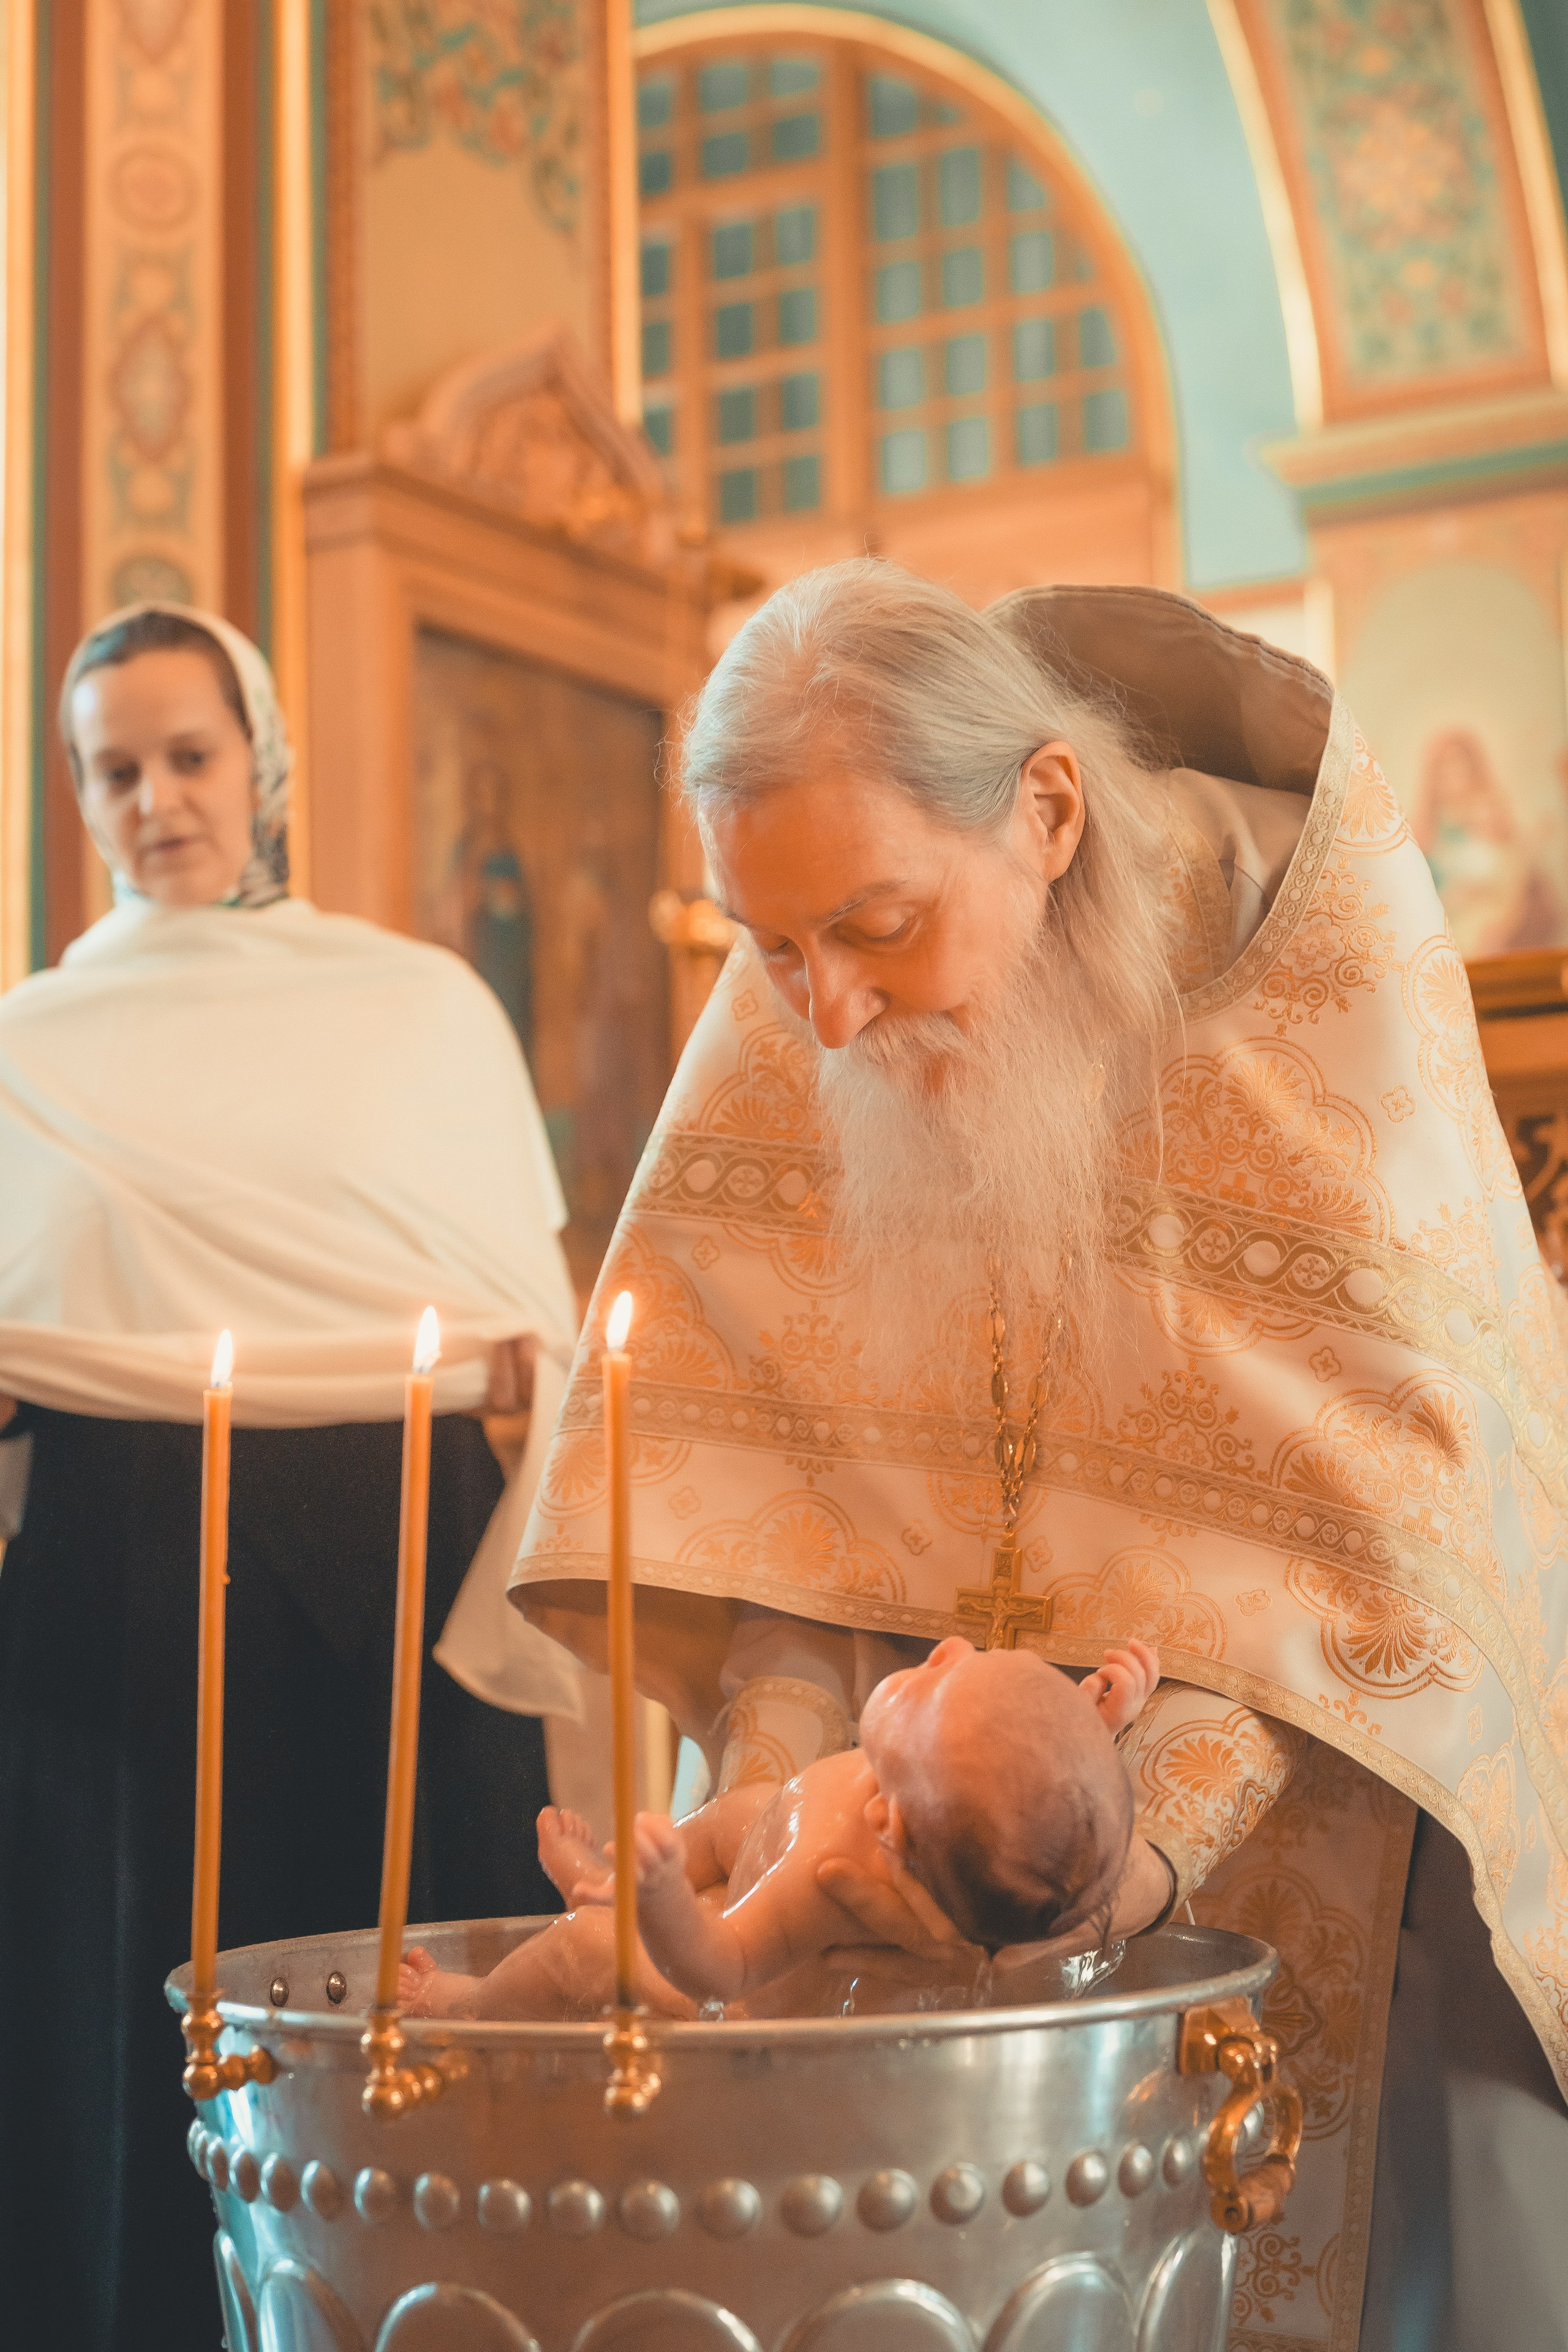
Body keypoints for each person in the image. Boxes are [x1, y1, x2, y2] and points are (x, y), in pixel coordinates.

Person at [513, 561, 1568, 2349]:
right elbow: (787, 1544)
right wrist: (753, 1827)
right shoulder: (798, 999)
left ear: (1047, 810)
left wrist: (1109, 1853)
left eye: (877, 926)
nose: (825, 1012)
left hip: (1313, 1931)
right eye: (769, 949)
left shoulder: (1317, 1011)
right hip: (893, 1941)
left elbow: (1362, 1607)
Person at [0, 605, 580, 2352]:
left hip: (377, 1569)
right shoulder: (31, 1043)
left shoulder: (419, 1012)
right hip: (114, 1592)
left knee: (384, 2014)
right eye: (115, 771)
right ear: (79, 793)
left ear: (265, 765)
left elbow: (524, 1330)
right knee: (117, 2034)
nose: (157, 801)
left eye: (190, 756)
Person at [402, 1634, 1158, 2017]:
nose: (949, 1646)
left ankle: (467, 2003)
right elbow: (1037, 1791)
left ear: (888, 1823)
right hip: (758, 1845)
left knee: (581, 1950)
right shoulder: (945, 1801)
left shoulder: (825, 1873)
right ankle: (605, 1887)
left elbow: (723, 1967)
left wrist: (669, 1902)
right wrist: (1094, 1727)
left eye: (933, 1680)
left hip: (724, 2001)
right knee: (747, 1808)